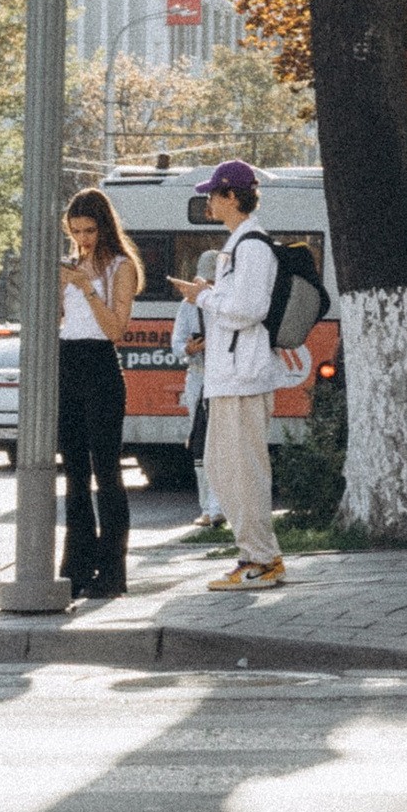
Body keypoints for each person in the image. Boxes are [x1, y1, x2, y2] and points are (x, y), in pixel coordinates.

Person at [168, 159, 286, 593]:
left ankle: (261, 558)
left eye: (213, 194)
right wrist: (209, 296)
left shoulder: (251, 245)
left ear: (231, 196)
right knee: (223, 467)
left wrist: (205, 296)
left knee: (243, 470)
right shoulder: (239, 244)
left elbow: (249, 308)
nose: (208, 202)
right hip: (230, 375)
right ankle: (254, 554)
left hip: (243, 376)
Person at [56, 189, 141, 603]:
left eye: (89, 230)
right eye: (75, 231)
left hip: (100, 366)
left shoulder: (120, 268)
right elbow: (57, 320)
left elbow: (116, 330)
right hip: (67, 363)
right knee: (73, 473)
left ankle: (111, 572)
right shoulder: (69, 265)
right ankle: (75, 567)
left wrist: (88, 287)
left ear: (104, 227)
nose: (83, 239)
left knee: (106, 471)